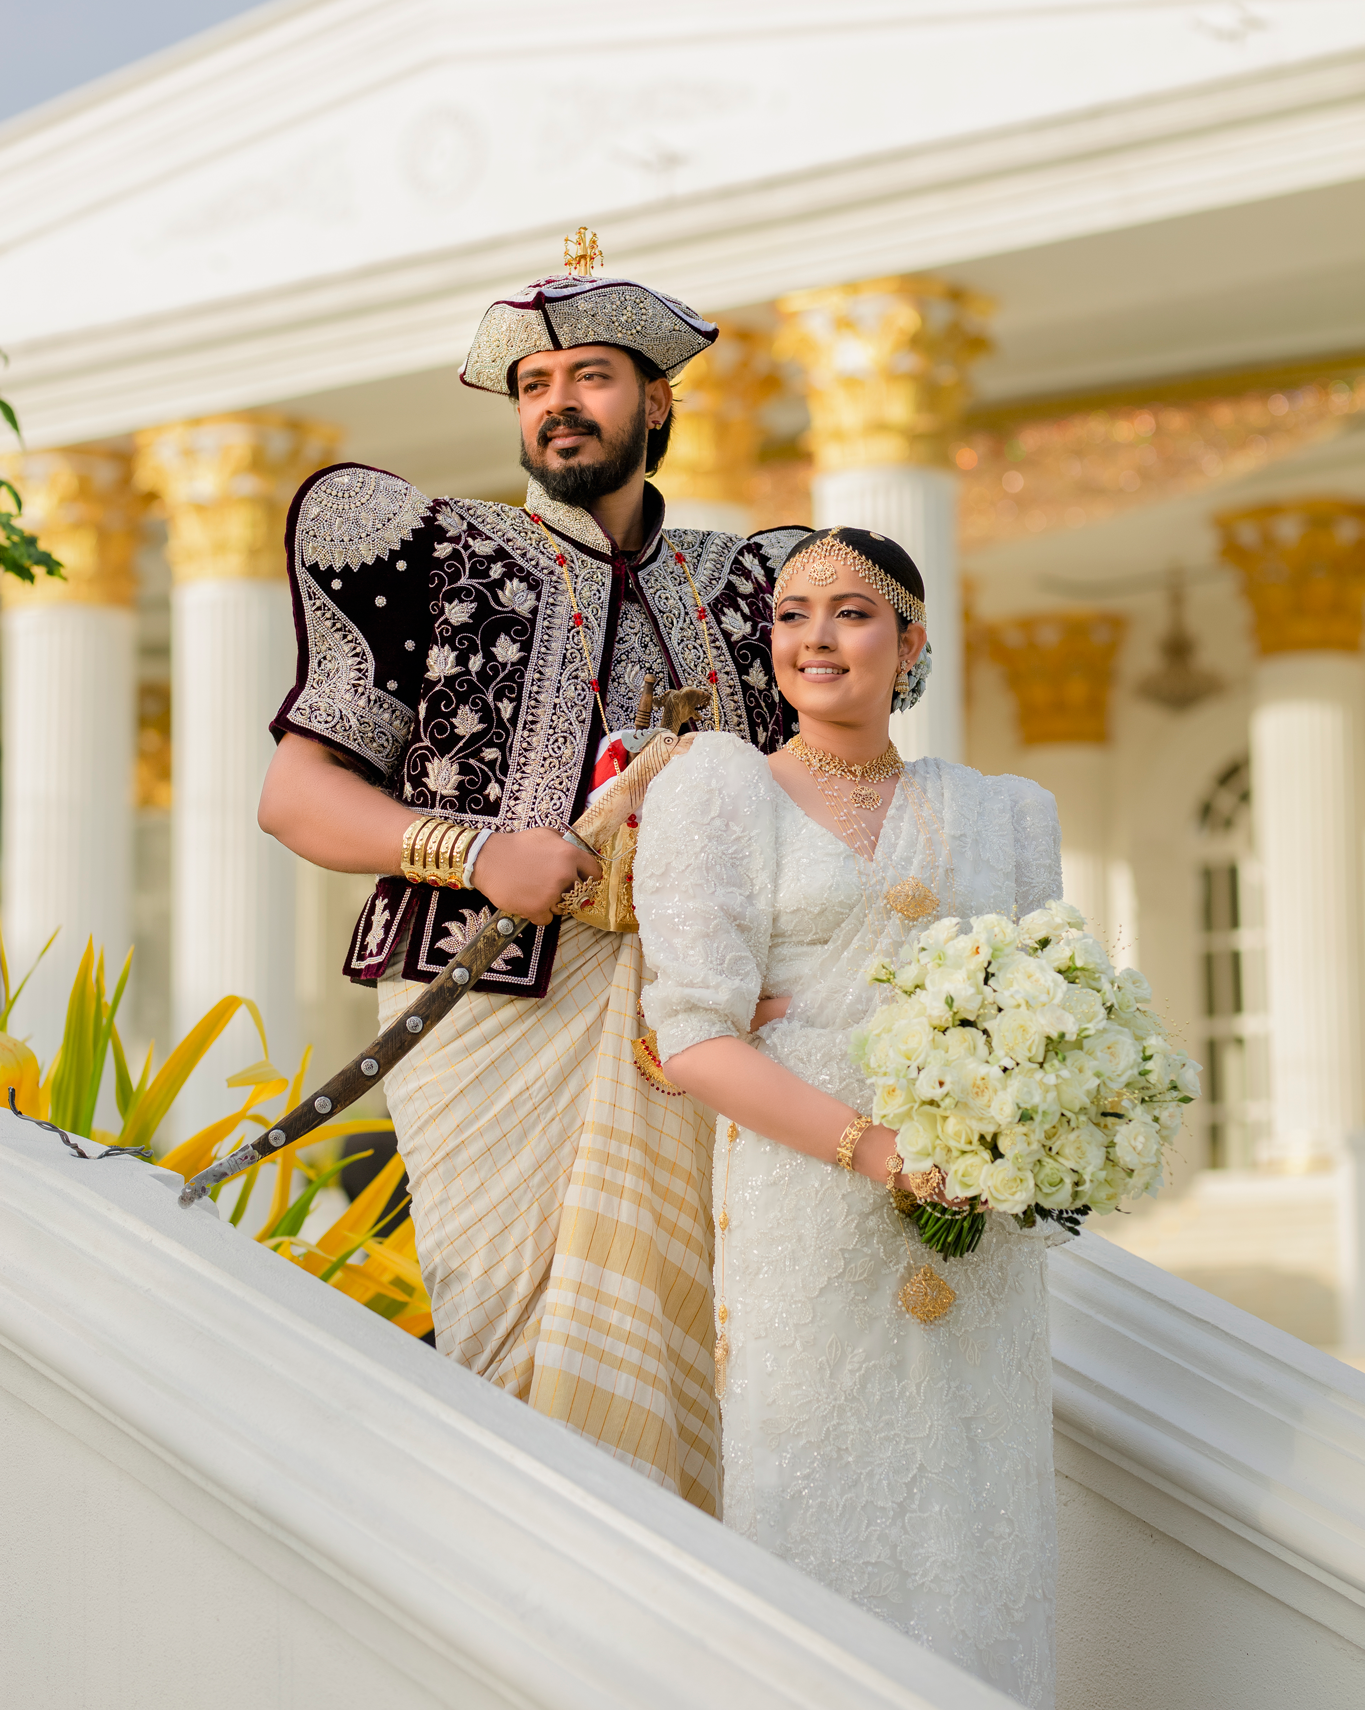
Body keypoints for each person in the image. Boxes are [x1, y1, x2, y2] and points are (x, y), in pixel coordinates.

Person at [258, 245, 805, 1513]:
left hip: (709, 1021)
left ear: (657, 402)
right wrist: (472, 849)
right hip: (493, 1011)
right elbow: (297, 797)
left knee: (709, 1358)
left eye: (594, 376)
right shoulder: (433, 553)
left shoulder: (758, 588)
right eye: (536, 382)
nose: (559, 401)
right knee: (509, 1350)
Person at [633, 525, 1063, 1707]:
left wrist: (1029, 1138)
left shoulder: (1006, 811)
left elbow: (1053, 1009)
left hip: (979, 1216)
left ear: (912, 641)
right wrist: (877, 1152)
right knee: (811, 1477)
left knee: (978, 1500)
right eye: (792, 614)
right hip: (805, 1197)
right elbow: (695, 1035)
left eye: (854, 612)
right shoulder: (720, 786)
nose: (816, 637)